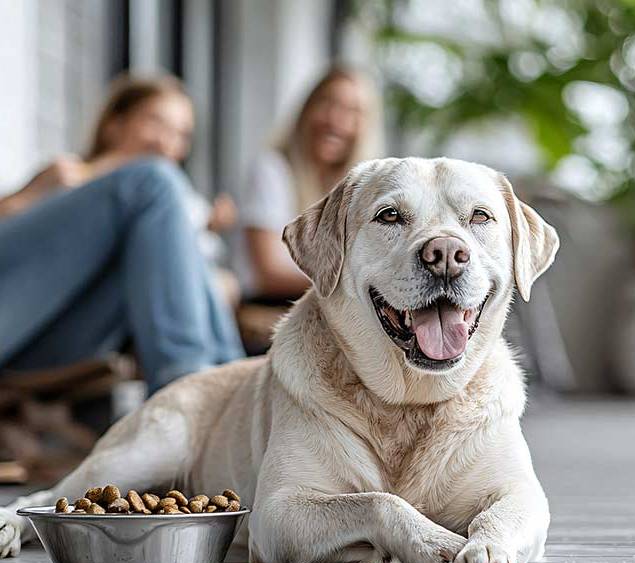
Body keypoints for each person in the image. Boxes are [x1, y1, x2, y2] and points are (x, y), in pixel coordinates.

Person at [0, 75, 244, 395]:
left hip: (56, 344)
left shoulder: (159, 215)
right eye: (156, 122)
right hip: (16, 321)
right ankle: (192, 391)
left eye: (181, 134)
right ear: (113, 125)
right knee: (156, 181)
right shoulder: (66, 176)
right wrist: (30, 195)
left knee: (163, 196)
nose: (165, 141)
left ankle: (231, 393)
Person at [233, 67, 383, 301]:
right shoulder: (271, 170)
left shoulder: (361, 190)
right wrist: (353, 278)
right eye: (328, 103)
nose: (336, 120)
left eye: (353, 111)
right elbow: (269, 272)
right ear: (306, 110)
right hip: (269, 311)